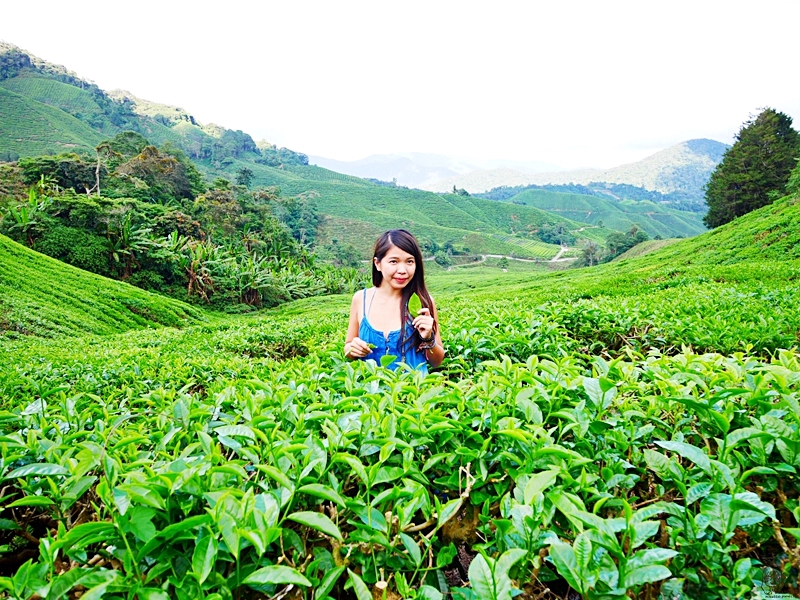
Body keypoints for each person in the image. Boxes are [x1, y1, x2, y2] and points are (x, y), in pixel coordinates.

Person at [344, 229, 444, 372]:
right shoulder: (361, 299)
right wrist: (353, 349)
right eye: (393, 261)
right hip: (371, 392)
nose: (402, 270)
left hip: (414, 392)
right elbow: (348, 346)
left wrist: (428, 338)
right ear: (377, 263)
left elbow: (437, 362)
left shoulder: (424, 302)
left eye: (409, 261)